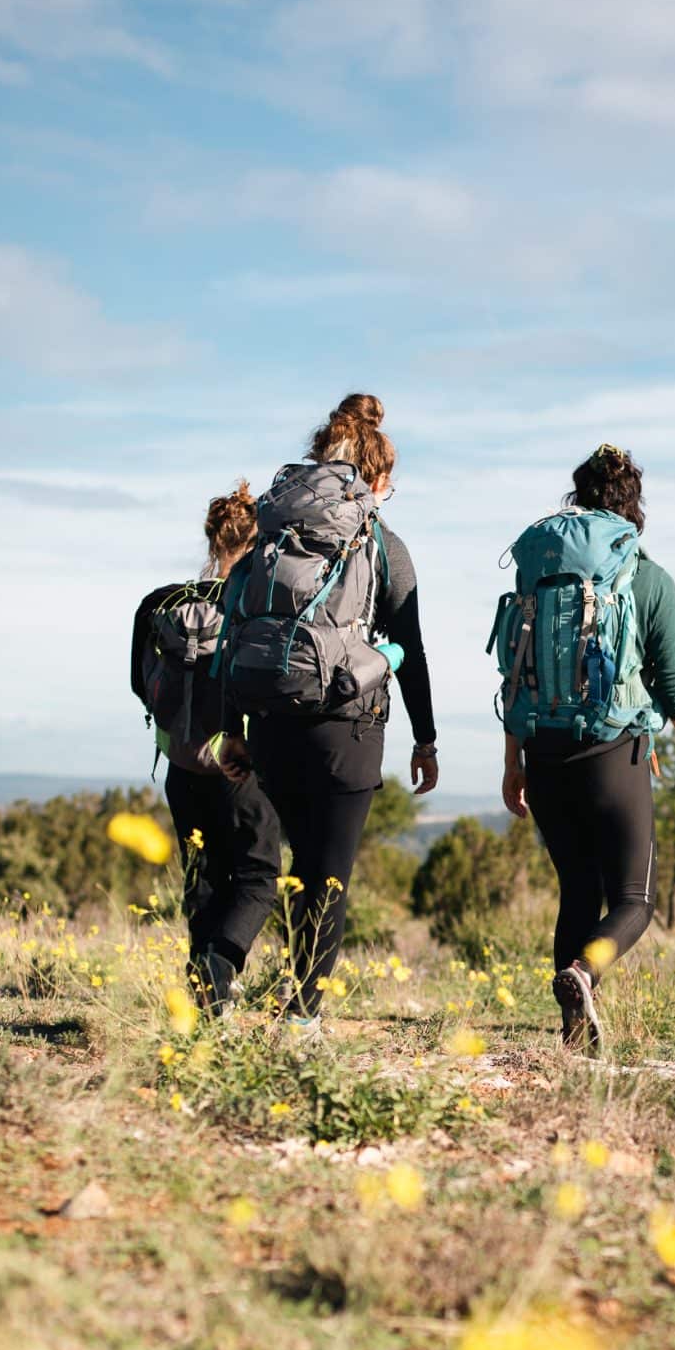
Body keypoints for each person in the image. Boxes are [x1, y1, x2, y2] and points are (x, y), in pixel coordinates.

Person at [234, 395, 438, 1037]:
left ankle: (277, 986)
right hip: (346, 724)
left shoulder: (274, 532)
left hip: (269, 718)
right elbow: (411, 647)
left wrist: (230, 726)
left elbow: (236, 620)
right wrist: (426, 739)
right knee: (327, 876)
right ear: (377, 479)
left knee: (299, 863)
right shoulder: (382, 542)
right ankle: (302, 1018)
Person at [500, 444, 675, 1050]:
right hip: (614, 755)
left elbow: (516, 671)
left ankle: (574, 1038)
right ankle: (585, 973)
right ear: (633, 507)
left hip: (543, 751)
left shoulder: (538, 574)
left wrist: (513, 761)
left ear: (579, 498)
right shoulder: (648, 577)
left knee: (577, 889)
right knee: (634, 900)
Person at [162, 480, 282, 1011]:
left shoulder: (165, 605)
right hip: (243, 768)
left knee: (202, 877)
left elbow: (142, 685)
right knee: (258, 876)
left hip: (183, 764)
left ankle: (205, 995)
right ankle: (221, 966)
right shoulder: (260, 608)